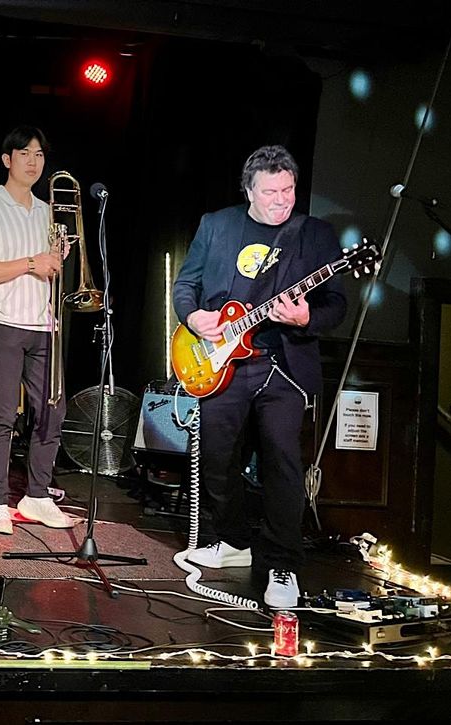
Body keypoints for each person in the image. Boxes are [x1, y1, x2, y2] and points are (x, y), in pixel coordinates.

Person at [173, 144, 347, 609]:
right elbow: (186, 285)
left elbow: (337, 305)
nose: (282, 200)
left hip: (283, 364)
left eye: (288, 189)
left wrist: (306, 317)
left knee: (282, 461)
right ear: (249, 190)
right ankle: (232, 541)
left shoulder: (314, 235)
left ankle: (283, 564)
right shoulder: (217, 224)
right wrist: (193, 318)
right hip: (222, 360)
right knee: (217, 456)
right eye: (271, 192)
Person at [0, 126, 74, 536]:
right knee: (2, 414)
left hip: (43, 324)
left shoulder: (48, 212)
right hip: (2, 322)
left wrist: (57, 259)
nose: (33, 161)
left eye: (40, 154)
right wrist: (32, 262)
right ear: (7, 159)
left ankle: (38, 496)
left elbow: (52, 271)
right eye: (25, 153)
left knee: (52, 411)